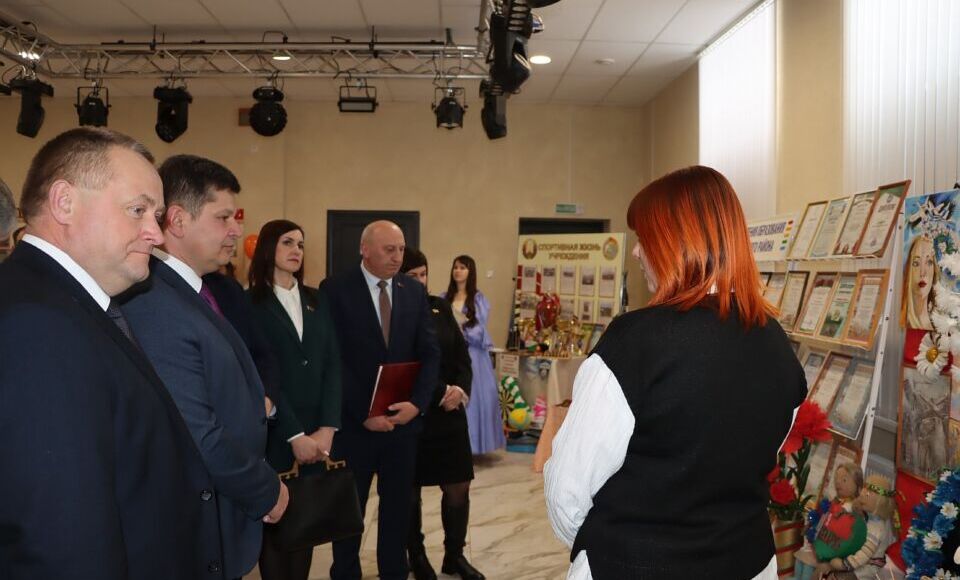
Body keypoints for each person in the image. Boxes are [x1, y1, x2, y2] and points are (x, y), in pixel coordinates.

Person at [544, 165, 806, 579]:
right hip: (748, 562)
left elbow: (567, 490)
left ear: (677, 242)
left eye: (644, 237)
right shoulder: (775, 341)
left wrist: (610, 548)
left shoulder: (635, 342)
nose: (635, 252)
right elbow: (755, 455)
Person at [0, 128, 223, 579]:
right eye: (138, 210)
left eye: (156, 215)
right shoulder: (37, 322)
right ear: (64, 202)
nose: (156, 234)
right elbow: (60, 535)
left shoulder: (67, 304)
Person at [120, 154, 288, 580]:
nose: (236, 230)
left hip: (220, 508)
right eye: (223, 217)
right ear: (177, 220)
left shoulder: (192, 290)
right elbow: (194, 430)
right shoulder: (152, 301)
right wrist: (265, 488)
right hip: (193, 521)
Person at [321, 220, 441, 580]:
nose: (397, 257)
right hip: (355, 427)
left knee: (397, 514)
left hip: (402, 426)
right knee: (349, 513)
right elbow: (332, 360)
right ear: (365, 249)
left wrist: (417, 404)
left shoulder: (413, 291)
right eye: (389, 249)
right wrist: (363, 413)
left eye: (401, 249)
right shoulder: (335, 290)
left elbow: (430, 353)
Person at [247, 219, 343, 580]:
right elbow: (258, 374)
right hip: (276, 432)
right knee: (275, 527)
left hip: (318, 435)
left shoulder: (317, 299)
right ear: (268, 248)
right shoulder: (250, 303)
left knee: (306, 525)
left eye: (300, 245)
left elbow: (333, 364)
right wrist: (294, 434)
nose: (296, 251)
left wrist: (328, 427)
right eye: (287, 242)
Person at [401, 248, 485, 580]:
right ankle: (417, 555)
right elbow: (408, 365)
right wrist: (441, 392)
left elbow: (462, 355)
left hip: (450, 413)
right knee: (410, 490)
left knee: (459, 485)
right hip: (416, 413)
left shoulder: (439, 306)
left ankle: (454, 556)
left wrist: (460, 388)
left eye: (423, 274)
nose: (420, 281)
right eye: (412, 276)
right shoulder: (393, 311)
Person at [444, 255, 506, 455]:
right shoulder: (444, 298)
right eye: (455, 267)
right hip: (450, 354)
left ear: (470, 272)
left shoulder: (478, 299)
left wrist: (461, 331)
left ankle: (473, 446)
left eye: (463, 267)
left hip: (474, 356)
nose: (458, 271)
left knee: (475, 399)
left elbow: (479, 329)